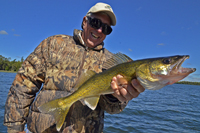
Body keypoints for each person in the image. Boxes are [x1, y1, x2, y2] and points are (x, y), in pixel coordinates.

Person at [4, 2, 145, 133]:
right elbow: (22, 85)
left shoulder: (112, 62)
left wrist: (114, 97)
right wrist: (15, 127)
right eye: (96, 23)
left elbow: (113, 109)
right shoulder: (53, 44)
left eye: (107, 29)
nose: (100, 30)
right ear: (85, 22)